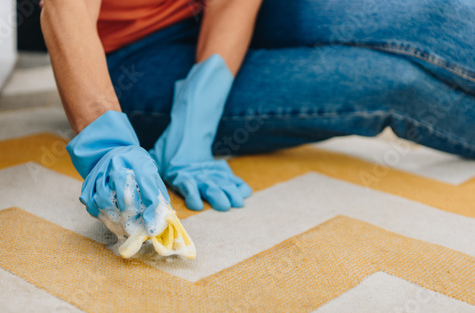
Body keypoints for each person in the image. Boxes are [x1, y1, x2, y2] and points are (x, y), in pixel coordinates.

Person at [41, 0, 475, 243]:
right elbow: (66, 9)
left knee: (437, 14)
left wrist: (200, 111)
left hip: (223, 13)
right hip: (131, 58)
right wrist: (105, 140)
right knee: (390, 82)